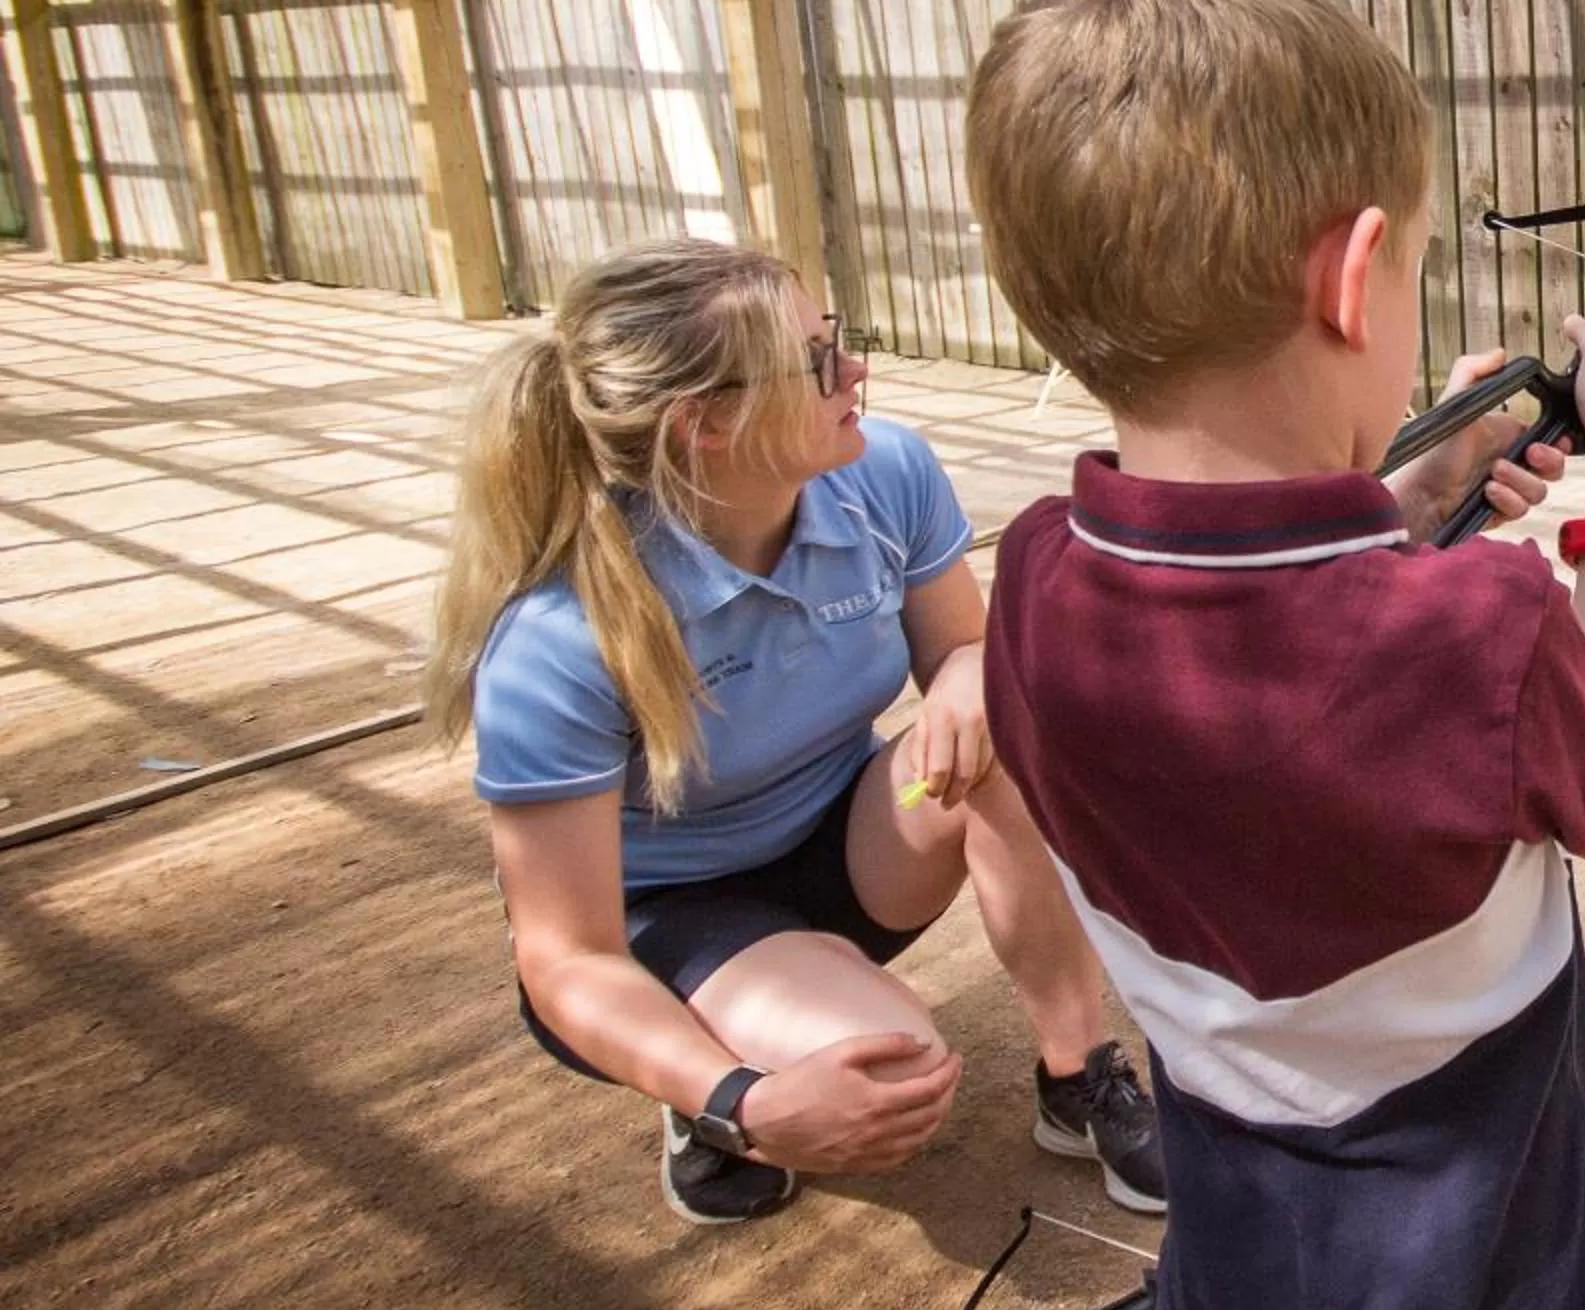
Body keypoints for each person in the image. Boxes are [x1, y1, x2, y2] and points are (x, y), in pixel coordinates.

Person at [965, 0, 1585, 1310]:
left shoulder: (1034, 575)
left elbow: (1257, 656)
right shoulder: (1481, 637)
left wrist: (1409, 506)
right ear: (1355, 276)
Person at [422, 237, 1170, 1226]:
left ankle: (1079, 1075)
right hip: (670, 912)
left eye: (839, 340)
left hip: (841, 842)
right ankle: (703, 1082)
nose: (856, 369)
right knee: (897, 1070)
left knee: (1016, 719)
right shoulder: (561, 638)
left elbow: (961, 648)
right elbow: (564, 958)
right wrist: (744, 1102)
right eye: (819, 361)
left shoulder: (886, 472)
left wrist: (966, 679)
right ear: (706, 422)